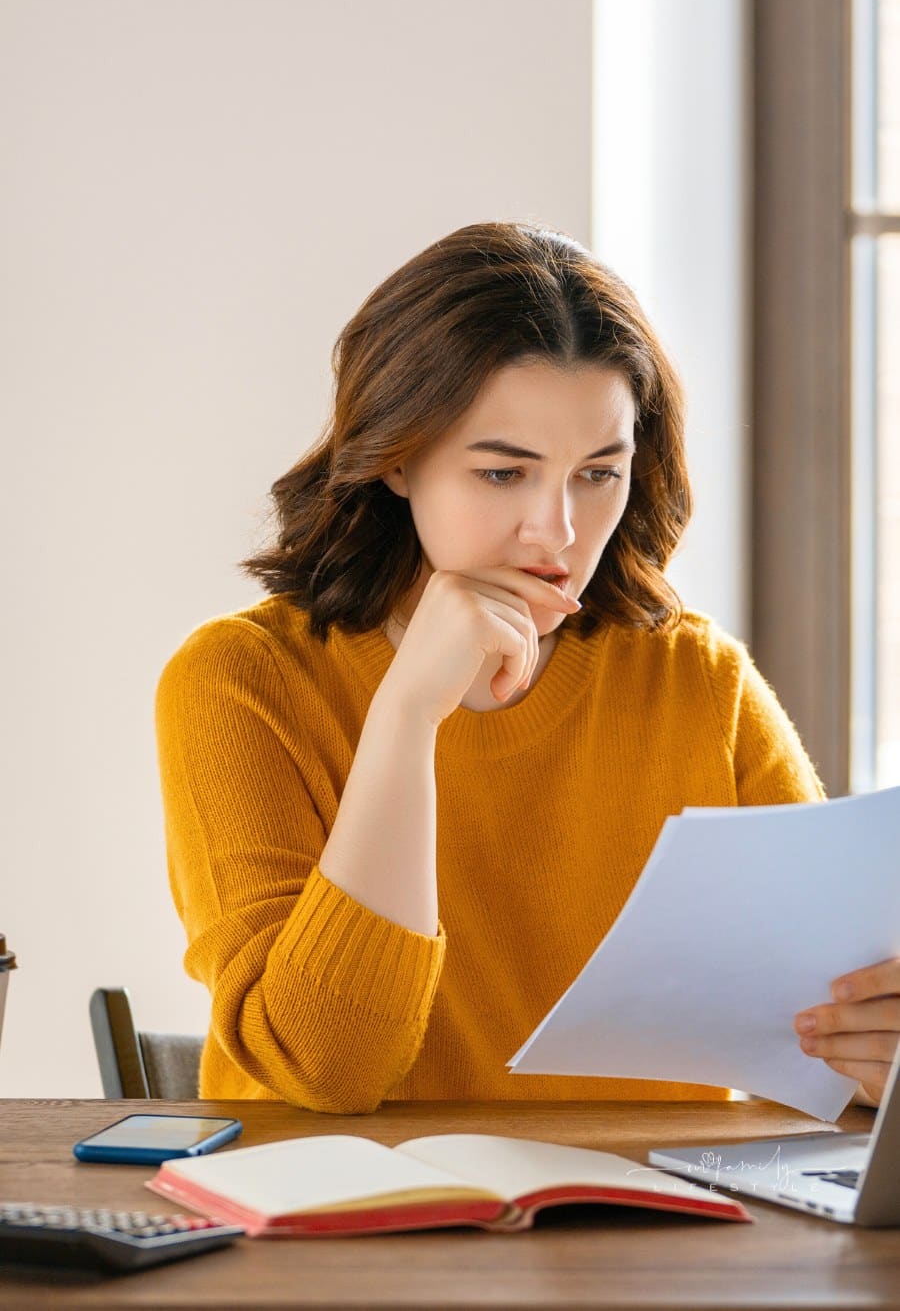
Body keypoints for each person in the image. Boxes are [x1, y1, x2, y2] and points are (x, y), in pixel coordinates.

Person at [155, 220, 894, 1114]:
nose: (560, 532)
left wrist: (870, 1059)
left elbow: (825, 1034)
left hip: (645, 1234)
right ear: (396, 456)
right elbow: (328, 1069)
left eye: (598, 473)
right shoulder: (240, 680)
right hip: (345, 1230)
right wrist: (407, 716)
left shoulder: (696, 679)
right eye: (505, 475)